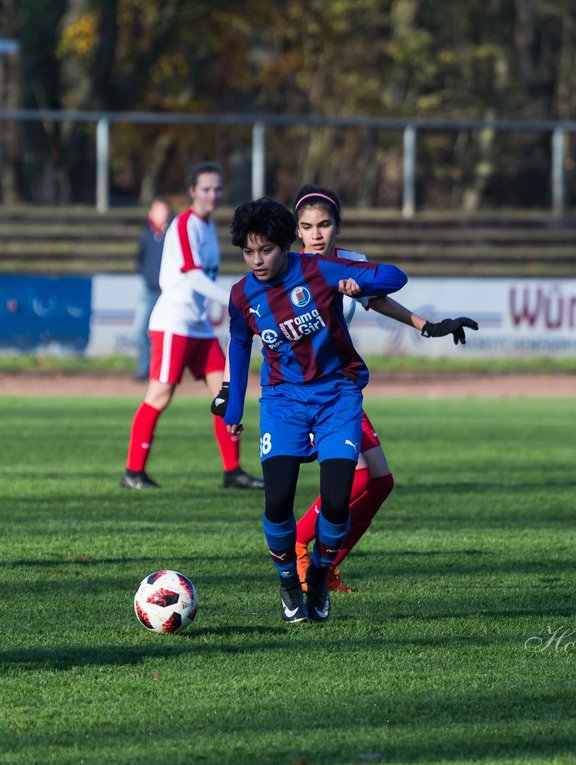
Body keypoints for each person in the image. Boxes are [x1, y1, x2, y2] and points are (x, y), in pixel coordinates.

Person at [216, 198, 407, 623]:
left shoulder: (318, 270)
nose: (257, 260)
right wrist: (233, 408)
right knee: (278, 501)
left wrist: (364, 285)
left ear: (285, 245)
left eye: (265, 250)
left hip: (338, 396)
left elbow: (396, 276)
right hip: (283, 402)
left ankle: (319, 572)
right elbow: (241, 342)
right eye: (249, 252)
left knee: (338, 503)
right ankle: (288, 583)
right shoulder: (241, 295)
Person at [290, 185, 478, 594]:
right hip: (307, 391)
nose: (316, 234)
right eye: (307, 227)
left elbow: (379, 298)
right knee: (357, 479)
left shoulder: (352, 265)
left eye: (324, 225)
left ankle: (326, 565)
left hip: (342, 386)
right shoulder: (289, 269)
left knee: (380, 482)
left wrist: (428, 326)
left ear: (338, 226)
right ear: (297, 231)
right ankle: (299, 548)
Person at [122, 162, 262, 490]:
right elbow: (191, 274)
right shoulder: (186, 224)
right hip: (175, 322)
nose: (213, 194)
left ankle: (233, 472)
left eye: (217, 189)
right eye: (206, 189)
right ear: (192, 192)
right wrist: (234, 296)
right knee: (159, 394)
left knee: (225, 393)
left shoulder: (208, 226)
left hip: (197, 325)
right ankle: (133, 472)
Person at [132, 197, 172, 381]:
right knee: (140, 331)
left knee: (169, 335)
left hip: (169, 293)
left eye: (163, 210)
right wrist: (147, 276)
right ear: (151, 214)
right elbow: (139, 259)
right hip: (150, 291)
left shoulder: (174, 234)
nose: (161, 214)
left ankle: (166, 372)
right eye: (157, 210)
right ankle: (144, 370)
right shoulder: (146, 235)